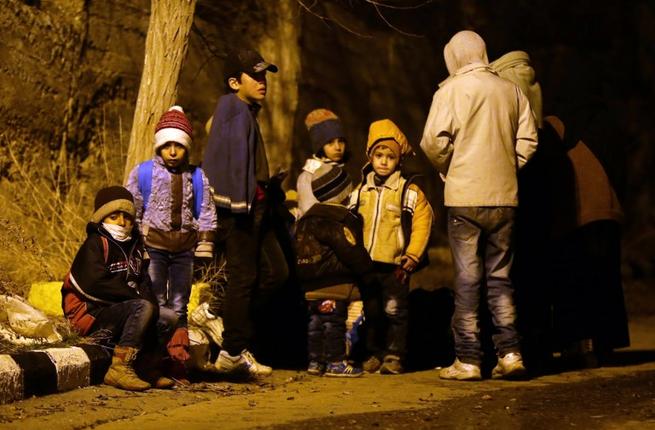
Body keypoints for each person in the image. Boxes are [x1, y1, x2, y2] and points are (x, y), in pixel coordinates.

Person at [420, 31, 538, 380]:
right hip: (504, 197)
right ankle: (511, 353)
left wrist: (449, 168)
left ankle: (469, 360)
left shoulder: (450, 91)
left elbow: (432, 142)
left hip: (464, 197)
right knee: (501, 278)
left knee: (468, 279)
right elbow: (529, 139)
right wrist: (507, 165)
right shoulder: (510, 90)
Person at [202, 48, 289, 377]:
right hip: (242, 211)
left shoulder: (241, 110)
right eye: (256, 76)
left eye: (265, 75)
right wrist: (242, 205)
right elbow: (233, 166)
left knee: (274, 273)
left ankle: (217, 312)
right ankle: (232, 351)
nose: (263, 81)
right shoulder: (236, 112)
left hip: (256, 205)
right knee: (245, 277)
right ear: (234, 81)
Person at [126, 105, 217, 383]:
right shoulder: (143, 173)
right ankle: (153, 361)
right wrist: (134, 244)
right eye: (168, 146)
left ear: (187, 148)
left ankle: (177, 362)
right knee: (157, 303)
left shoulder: (197, 177)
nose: (174, 152)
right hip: (153, 246)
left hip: (184, 250)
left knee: (180, 305)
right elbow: (133, 208)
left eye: (179, 145)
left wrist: (205, 243)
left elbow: (207, 210)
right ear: (159, 147)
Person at [61, 186, 178, 391]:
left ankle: (146, 367)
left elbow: (144, 283)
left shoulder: (137, 247)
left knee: (168, 317)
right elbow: (94, 283)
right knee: (142, 307)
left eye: (127, 217)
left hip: (123, 311)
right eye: (114, 217)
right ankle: (119, 368)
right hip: (91, 315)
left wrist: (151, 306)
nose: (122, 223)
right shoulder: (95, 244)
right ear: (102, 218)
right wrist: (138, 301)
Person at [349, 119, 434, 375]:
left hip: (396, 264)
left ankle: (395, 355)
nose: (384, 161)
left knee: (395, 310)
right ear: (370, 157)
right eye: (379, 155)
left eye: (390, 156)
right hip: (367, 264)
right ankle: (374, 353)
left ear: (399, 161)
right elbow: (350, 225)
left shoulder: (408, 191)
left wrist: (413, 254)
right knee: (372, 311)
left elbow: (422, 222)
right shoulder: (361, 191)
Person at [294, 163, 363, 377]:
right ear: (344, 194)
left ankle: (315, 362)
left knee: (315, 324)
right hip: (336, 284)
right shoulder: (340, 219)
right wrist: (366, 269)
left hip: (310, 284)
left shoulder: (306, 220)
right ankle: (335, 362)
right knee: (334, 324)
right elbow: (349, 250)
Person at [296, 108, 350, 218]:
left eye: (341, 141)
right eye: (330, 142)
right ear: (319, 145)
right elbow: (310, 213)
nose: (338, 147)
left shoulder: (341, 173)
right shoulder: (308, 177)